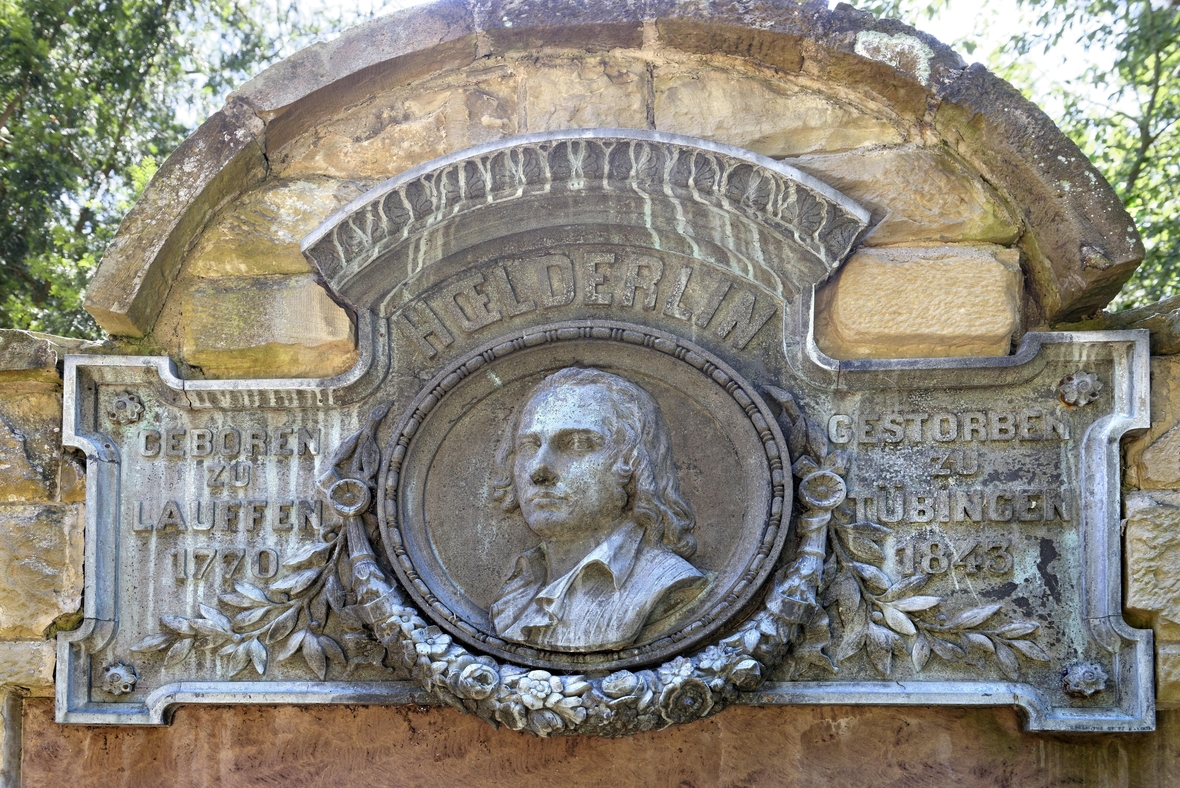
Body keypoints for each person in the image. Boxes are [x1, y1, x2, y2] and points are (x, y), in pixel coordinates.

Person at [489, 367, 707, 652]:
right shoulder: (516, 594)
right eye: (529, 446)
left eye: (577, 444)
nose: (539, 471)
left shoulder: (665, 584)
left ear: (630, 463)